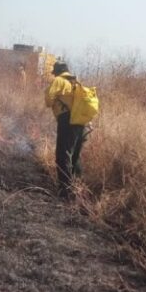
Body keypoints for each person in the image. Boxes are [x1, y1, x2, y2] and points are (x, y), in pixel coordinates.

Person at [45, 62, 85, 197]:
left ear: (57, 72)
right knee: (75, 155)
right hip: (81, 121)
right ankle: (78, 187)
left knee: (63, 155)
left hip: (67, 121)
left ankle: (65, 191)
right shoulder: (76, 81)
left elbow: (48, 100)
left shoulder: (59, 80)